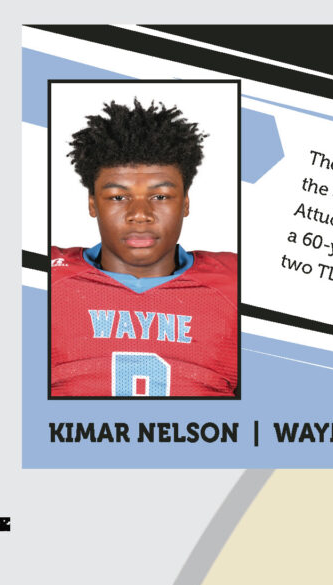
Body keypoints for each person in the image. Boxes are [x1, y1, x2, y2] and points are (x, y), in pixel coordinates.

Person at [49, 96, 239, 399]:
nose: (140, 214)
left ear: (185, 203)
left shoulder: (237, 284)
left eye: (160, 196)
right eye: (118, 197)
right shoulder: (46, 281)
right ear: (92, 204)